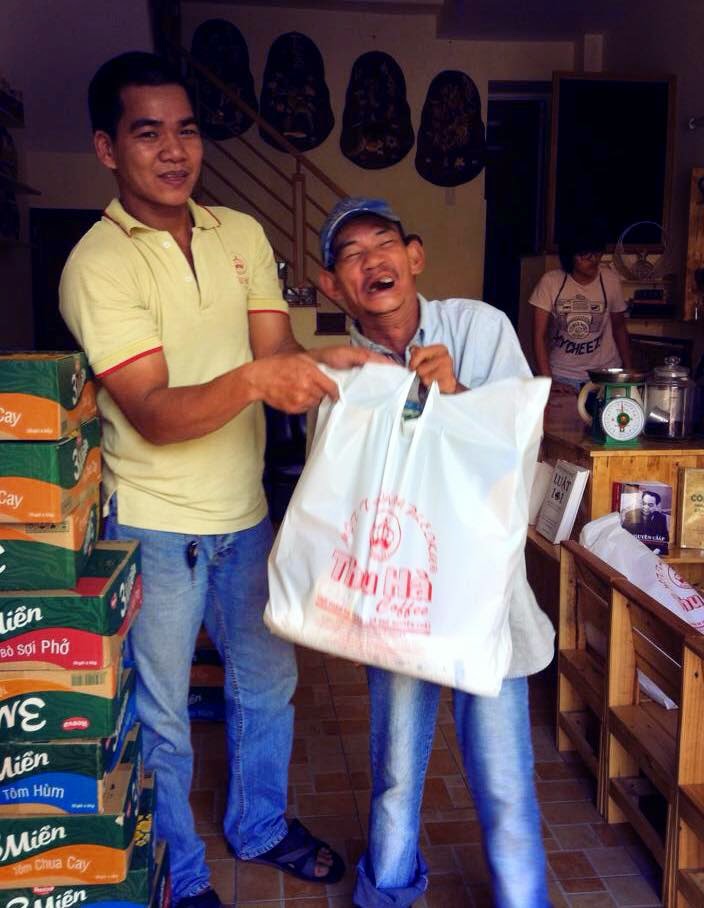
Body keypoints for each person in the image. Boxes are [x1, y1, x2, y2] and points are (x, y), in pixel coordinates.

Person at [59, 52, 377, 908]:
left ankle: (260, 825)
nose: (174, 151)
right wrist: (256, 381)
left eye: (187, 130)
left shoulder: (241, 233)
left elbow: (274, 352)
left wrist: (328, 364)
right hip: (154, 523)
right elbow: (155, 413)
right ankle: (183, 873)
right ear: (107, 148)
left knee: (269, 684)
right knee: (160, 713)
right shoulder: (97, 265)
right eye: (147, 133)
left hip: (244, 512)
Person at [317, 197, 555, 908]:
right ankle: (387, 892)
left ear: (414, 255)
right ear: (333, 285)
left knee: (505, 779)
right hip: (399, 598)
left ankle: (523, 900)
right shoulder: (342, 371)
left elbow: (524, 441)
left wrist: (456, 395)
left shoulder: (480, 328)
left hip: (485, 597)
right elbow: (338, 495)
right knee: (395, 772)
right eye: (351, 255)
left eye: (383, 244)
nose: (372, 262)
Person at [529, 223, 632, 393]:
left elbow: (619, 327)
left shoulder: (610, 280)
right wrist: (548, 381)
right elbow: (538, 335)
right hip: (562, 373)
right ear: (570, 255)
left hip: (605, 373)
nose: (594, 260)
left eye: (597, 253)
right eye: (585, 255)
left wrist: (628, 372)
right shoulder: (550, 282)